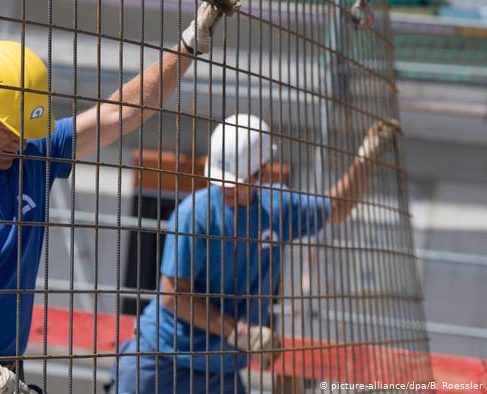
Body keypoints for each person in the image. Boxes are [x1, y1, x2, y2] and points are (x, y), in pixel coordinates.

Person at [0, 1, 241, 393]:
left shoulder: (30, 158)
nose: (19, 140)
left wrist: (188, 44)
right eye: (9, 129)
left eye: (24, 131)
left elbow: (121, 111)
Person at [111, 113, 400, 393]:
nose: (225, 187)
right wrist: (241, 334)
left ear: (260, 173)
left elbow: (336, 208)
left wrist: (366, 157)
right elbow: (174, 295)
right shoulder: (193, 214)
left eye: (234, 181)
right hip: (162, 361)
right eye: (219, 178)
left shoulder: (279, 208)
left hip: (220, 370)